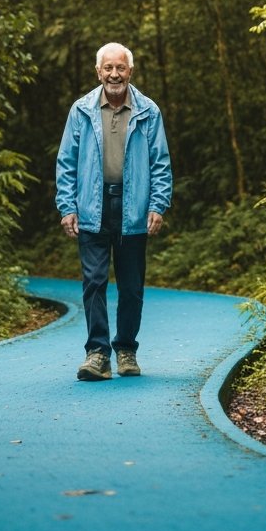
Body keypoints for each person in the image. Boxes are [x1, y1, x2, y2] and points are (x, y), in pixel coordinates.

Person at [55, 42, 172, 381]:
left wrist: (157, 204)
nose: (114, 74)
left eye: (120, 68)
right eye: (108, 68)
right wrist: (67, 206)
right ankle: (97, 353)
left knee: (132, 286)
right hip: (92, 205)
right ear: (98, 72)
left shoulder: (148, 111)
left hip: (133, 207)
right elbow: (66, 163)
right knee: (93, 282)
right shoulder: (81, 110)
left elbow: (160, 164)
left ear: (130, 72)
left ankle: (126, 350)